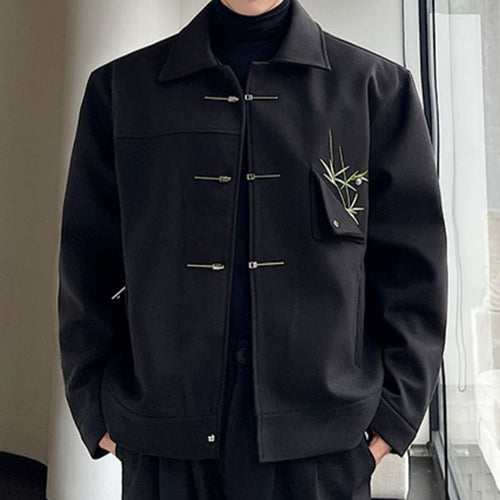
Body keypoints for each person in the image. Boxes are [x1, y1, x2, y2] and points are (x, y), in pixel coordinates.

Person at [57, 0, 448, 498]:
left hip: (323, 452)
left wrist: (391, 418)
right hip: (166, 448)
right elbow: (86, 265)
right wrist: (96, 409)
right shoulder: (121, 90)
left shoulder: (376, 90)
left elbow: (416, 273)